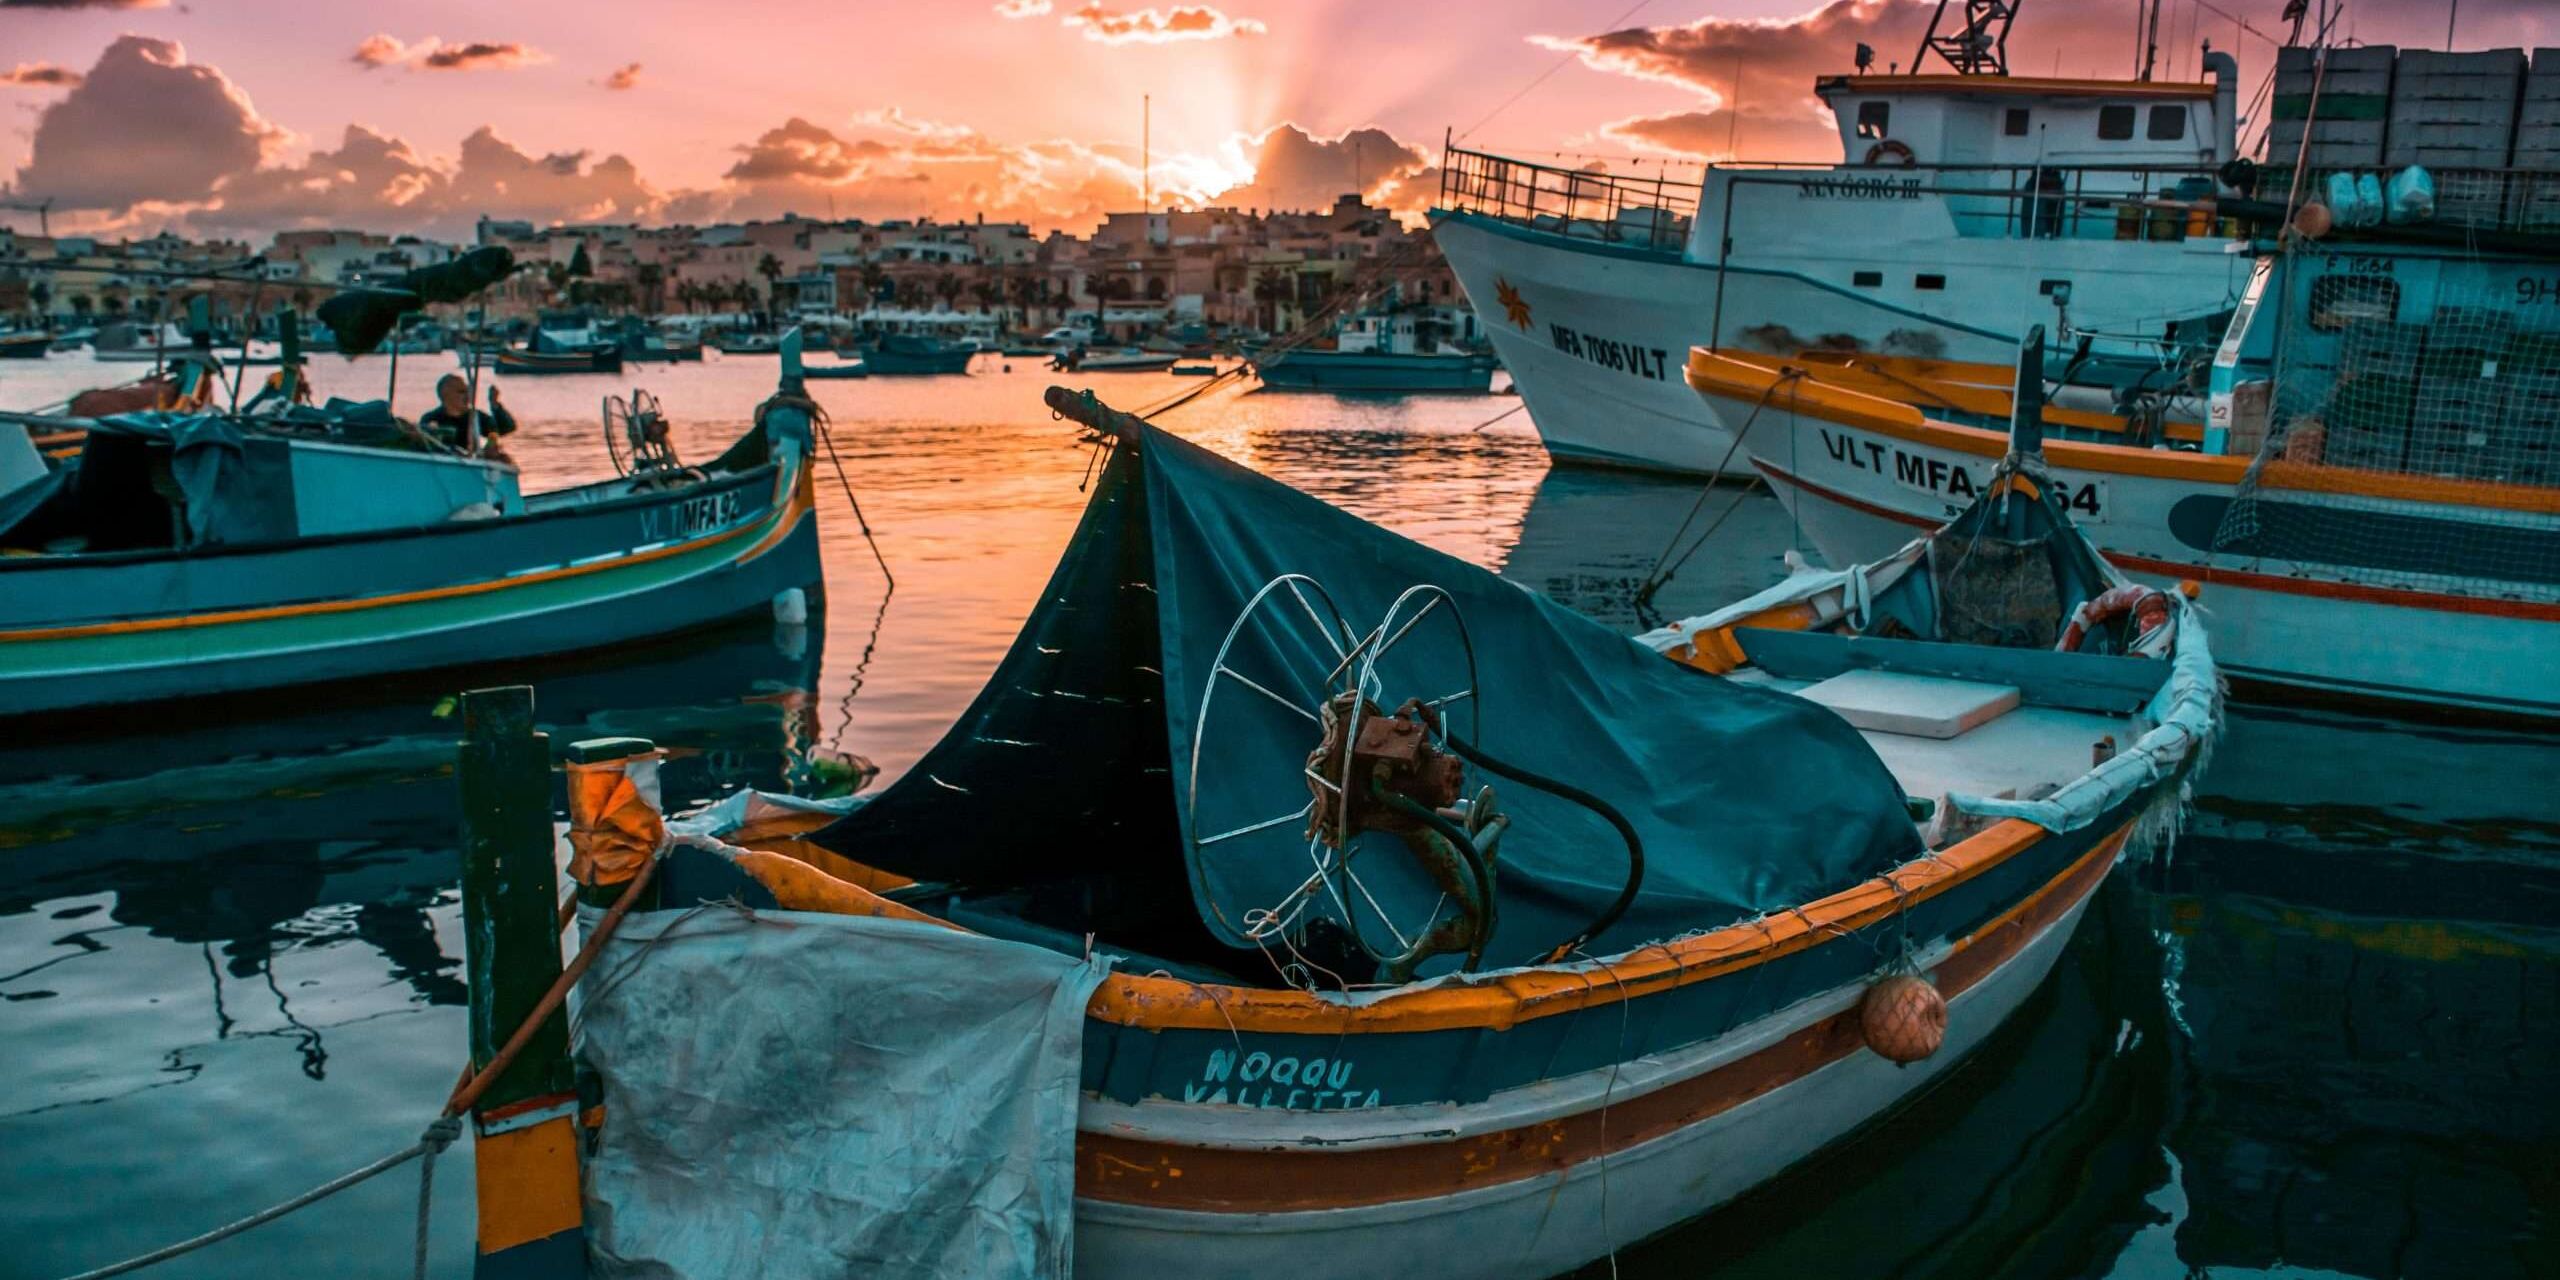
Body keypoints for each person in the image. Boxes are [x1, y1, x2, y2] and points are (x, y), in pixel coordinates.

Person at [418, 373, 517, 463]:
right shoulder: (430, 418)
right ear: (446, 394)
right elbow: (424, 446)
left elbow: (501, 429)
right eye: (461, 392)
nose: (467, 396)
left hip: (470, 465)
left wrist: (495, 405)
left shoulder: (475, 417)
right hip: (442, 465)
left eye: (467, 391)